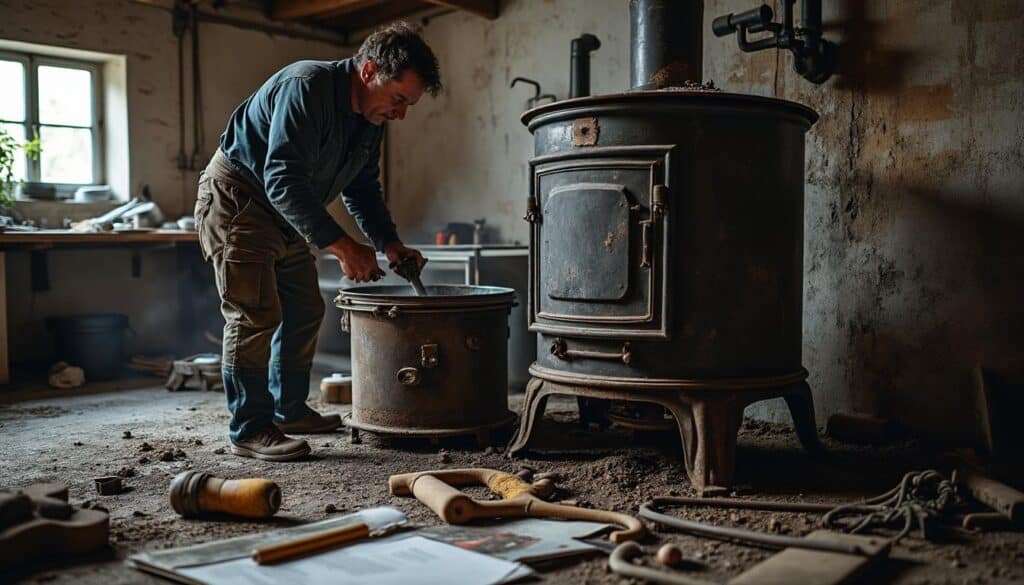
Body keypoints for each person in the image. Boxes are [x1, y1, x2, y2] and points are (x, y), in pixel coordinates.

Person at [194, 23, 441, 461]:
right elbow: (281, 177)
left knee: (305, 308)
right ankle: (249, 429)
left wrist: (388, 243)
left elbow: (362, 187)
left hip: (285, 210)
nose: (401, 113)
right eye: (398, 99)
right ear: (368, 72)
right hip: (239, 199)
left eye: (409, 104)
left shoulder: (370, 119)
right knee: (255, 314)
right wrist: (345, 247)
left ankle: (288, 411)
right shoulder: (305, 87)